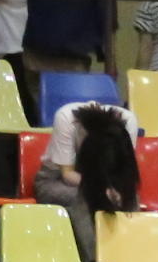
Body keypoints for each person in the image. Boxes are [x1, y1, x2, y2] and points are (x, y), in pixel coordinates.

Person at [29, 95, 138, 223]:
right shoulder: (66, 118)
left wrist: (117, 192)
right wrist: (101, 190)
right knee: (91, 199)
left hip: (104, 182)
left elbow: (125, 173)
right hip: (57, 181)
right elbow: (67, 174)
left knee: (131, 200)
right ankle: (87, 236)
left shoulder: (127, 123)